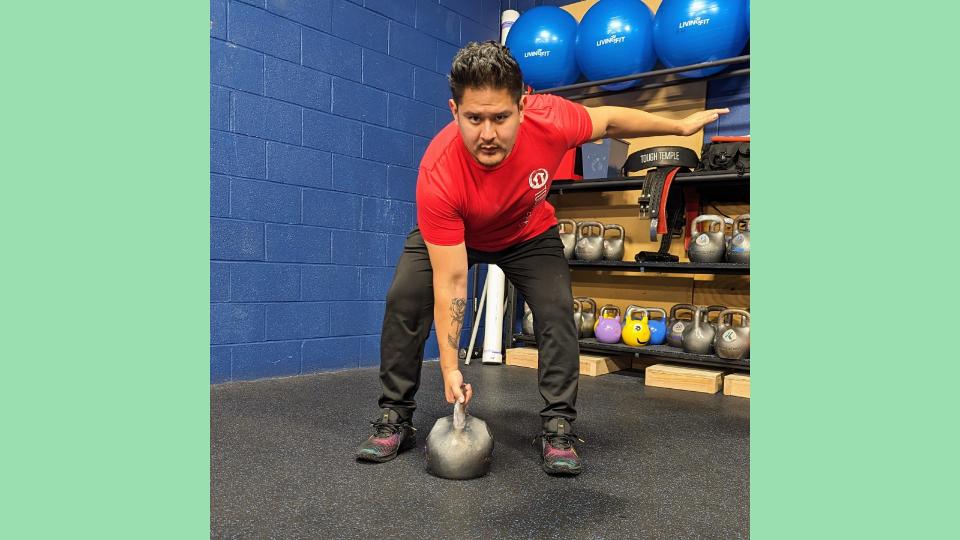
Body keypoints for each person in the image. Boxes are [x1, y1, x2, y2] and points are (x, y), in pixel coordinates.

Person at [356, 41, 727, 475]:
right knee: (405, 297)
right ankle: (395, 415)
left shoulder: (551, 119)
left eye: (500, 117)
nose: (487, 134)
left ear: (524, 105)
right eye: (474, 118)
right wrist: (451, 369)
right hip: (457, 235)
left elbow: (608, 119)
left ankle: (558, 424)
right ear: (454, 110)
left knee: (556, 311)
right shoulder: (439, 172)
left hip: (527, 232)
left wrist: (679, 127)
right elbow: (453, 283)